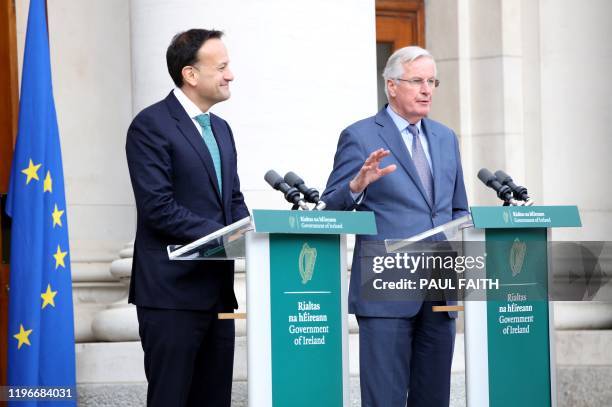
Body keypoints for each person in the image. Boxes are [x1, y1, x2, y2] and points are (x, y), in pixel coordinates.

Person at [321, 46, 469, 406]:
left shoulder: (446, 137)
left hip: (439, 289)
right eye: (417, 80)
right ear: (391, 86)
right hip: (387, 289)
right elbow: (329, 206)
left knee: (433, 399)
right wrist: (357, 185)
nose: (426, 89)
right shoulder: (360, 137)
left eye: (432, 81)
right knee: (384, 399)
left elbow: (458, 208)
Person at [125, 29, 249, 407]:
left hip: (217, 295)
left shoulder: (222, 130)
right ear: (190, 75)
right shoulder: (151, 125)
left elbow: (233, 199)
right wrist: (226, 235)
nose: (231, 75)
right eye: (222, 67)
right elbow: (158, 207)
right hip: (170, 297)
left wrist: (256, 232)